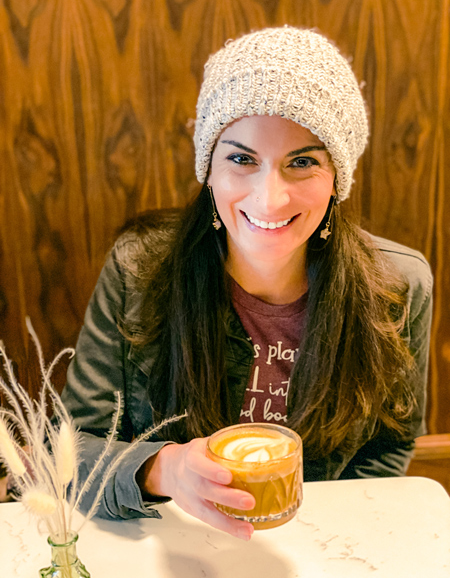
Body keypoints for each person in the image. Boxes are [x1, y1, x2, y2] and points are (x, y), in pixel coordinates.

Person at [62, 27, 433, 541]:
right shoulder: (139, 272)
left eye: (302, 162)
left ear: (337, 179)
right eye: (241, 158)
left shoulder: (399, 286)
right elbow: (72, 449)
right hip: (169, 546)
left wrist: (330, 541)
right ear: (209, 170)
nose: (270, 199)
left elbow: (389, 445)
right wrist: (164, 469)